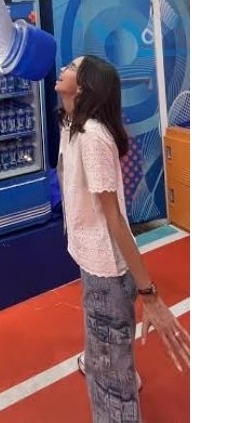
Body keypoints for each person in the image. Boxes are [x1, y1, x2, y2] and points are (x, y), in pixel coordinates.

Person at [55, 55, 189, 423]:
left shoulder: (92, 137)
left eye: (72, 68)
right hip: (92, 259)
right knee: (103, 341)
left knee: (110, 388)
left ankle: (113, 376)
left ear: (85, 87)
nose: (63, 69)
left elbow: (113, 219)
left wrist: (150, 293)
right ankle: (106, 357)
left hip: (107, 269)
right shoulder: (69, 123)